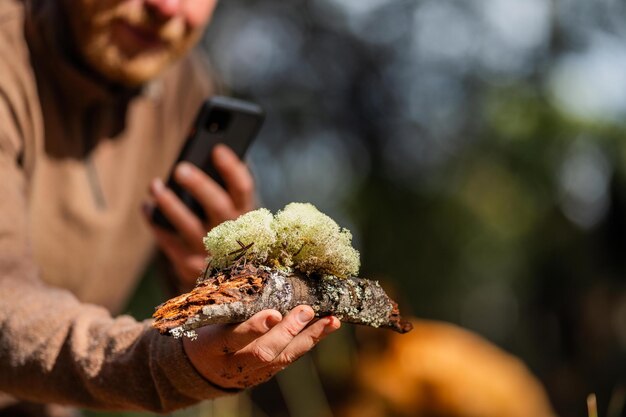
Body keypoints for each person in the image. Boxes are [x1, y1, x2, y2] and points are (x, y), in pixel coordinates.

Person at [0, 0, 340, 415]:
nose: (168, 8)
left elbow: (202, 301)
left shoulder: (185, 86)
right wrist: (168, 363)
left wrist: (215, 276)